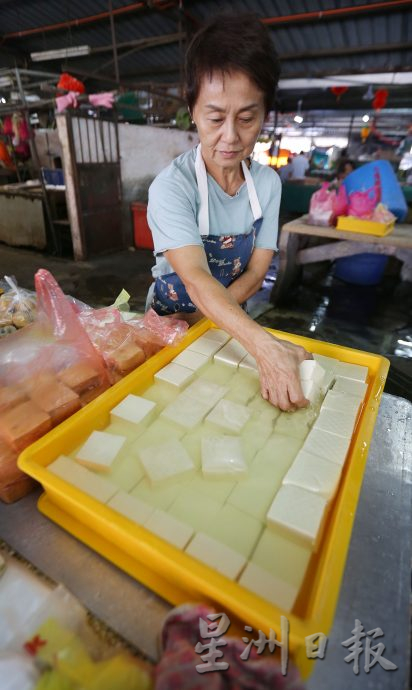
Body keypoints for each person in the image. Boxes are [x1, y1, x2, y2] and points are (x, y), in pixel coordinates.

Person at [146, 14, 311, 411]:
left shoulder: (268, 187)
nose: (231, 137)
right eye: (216, 118)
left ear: (265, 115)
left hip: (229, 325)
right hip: (170, 326)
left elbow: (257, 273)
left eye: (247, 118)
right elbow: (198, 279)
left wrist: (228, 332)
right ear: (192, 109)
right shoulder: (173, 187)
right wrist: (262, 345)